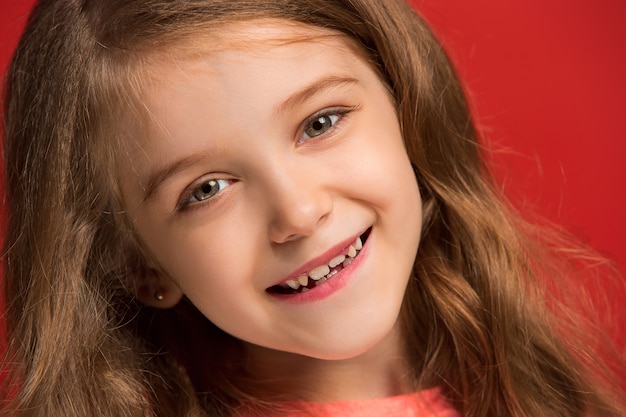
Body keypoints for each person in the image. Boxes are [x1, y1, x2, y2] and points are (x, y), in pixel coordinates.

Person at [1, 0, 624, 416]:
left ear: (407, 107)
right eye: (206, 190)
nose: (298, 212)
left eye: (320, 122)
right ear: (142, 267)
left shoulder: (538, 383)